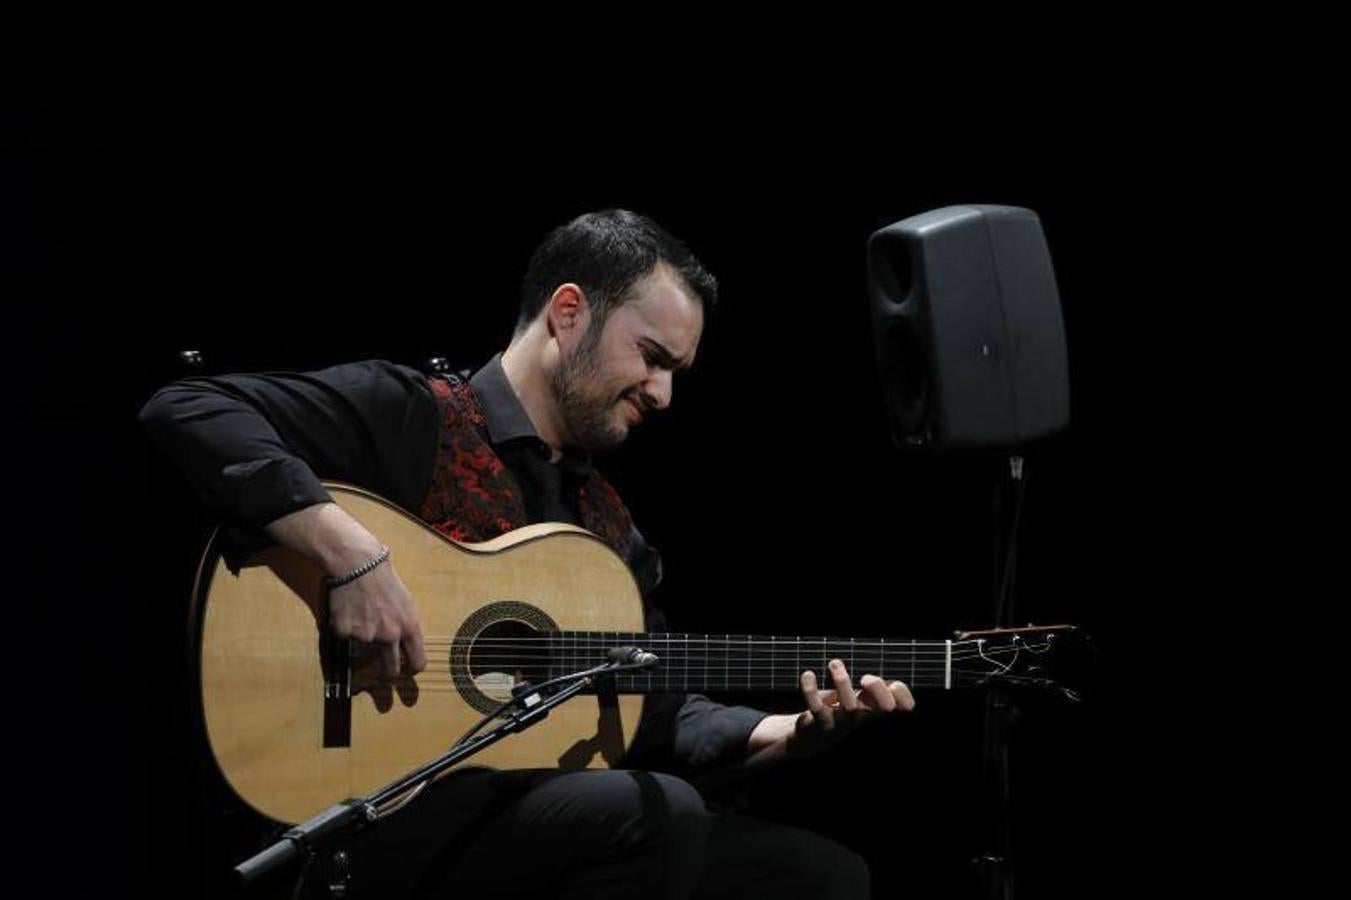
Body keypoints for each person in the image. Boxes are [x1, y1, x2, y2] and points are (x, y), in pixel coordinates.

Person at [140, 209, 915, 899]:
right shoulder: (413, 415)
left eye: (675, 372)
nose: (662, 394)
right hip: (370, 810)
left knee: (821, 875)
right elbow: (190, 408)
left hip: (521, 824)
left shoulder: (608, 532)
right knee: (653, 814)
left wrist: (785, 734)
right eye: (651, 357)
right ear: (568, 313)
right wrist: (349, 553)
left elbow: (654, 712)